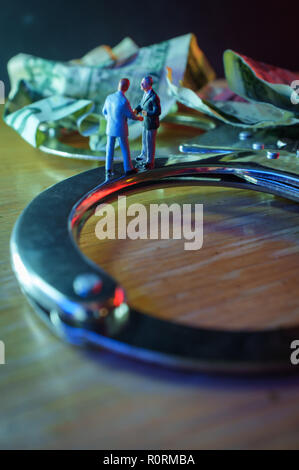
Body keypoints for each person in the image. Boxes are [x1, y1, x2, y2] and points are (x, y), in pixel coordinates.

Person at [102, 78, 143, 179]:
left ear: (118, 85)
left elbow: (104, 112)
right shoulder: (124, 101)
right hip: (120, 129)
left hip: (110, 128)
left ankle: (108, 168)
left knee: (109, 149)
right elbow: (131, 115)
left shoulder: (109, 97)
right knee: (125, 149)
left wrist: (110, 120)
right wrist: (139, 118)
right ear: (127, 87)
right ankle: (128, 168)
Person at [134, 76, 161, 170]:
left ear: (149, 85)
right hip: (145, 123)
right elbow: (141, 104)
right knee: (144, 141)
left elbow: (158, 111)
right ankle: (143, 155)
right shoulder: (145, 94)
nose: (141, 84)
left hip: (151, 124)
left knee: (150, 143)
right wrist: (136, 110)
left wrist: (147, 113)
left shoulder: (154, 97)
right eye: (141, 82)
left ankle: (150, 161)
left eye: (143, 83)